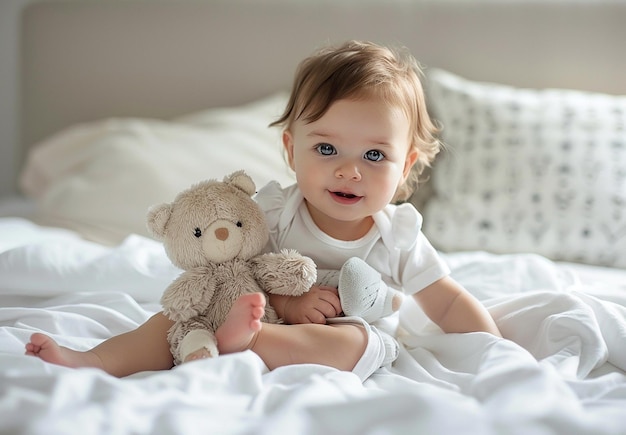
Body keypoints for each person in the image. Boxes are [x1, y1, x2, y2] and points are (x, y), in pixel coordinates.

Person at [25, 40, 501, 381]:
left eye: (374, 156)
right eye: (327, 149)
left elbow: (447, 301)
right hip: (257, 309)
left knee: (363, 347)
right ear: (291, 152)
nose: (350, 172)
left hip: (339, 329)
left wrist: (495, 349)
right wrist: (290, 304)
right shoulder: (275, 211)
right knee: (175, 320)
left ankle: (248, 344)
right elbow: (239, 267)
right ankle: (95, 362)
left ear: (405, 167)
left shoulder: (397, 234)